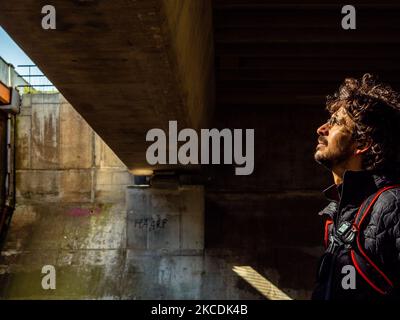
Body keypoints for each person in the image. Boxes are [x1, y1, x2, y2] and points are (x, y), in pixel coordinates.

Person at [312, 73, 400, 300]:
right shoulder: (340, 215)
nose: (321, 129)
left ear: (362, 143)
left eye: (335, 123)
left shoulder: (392, 205)